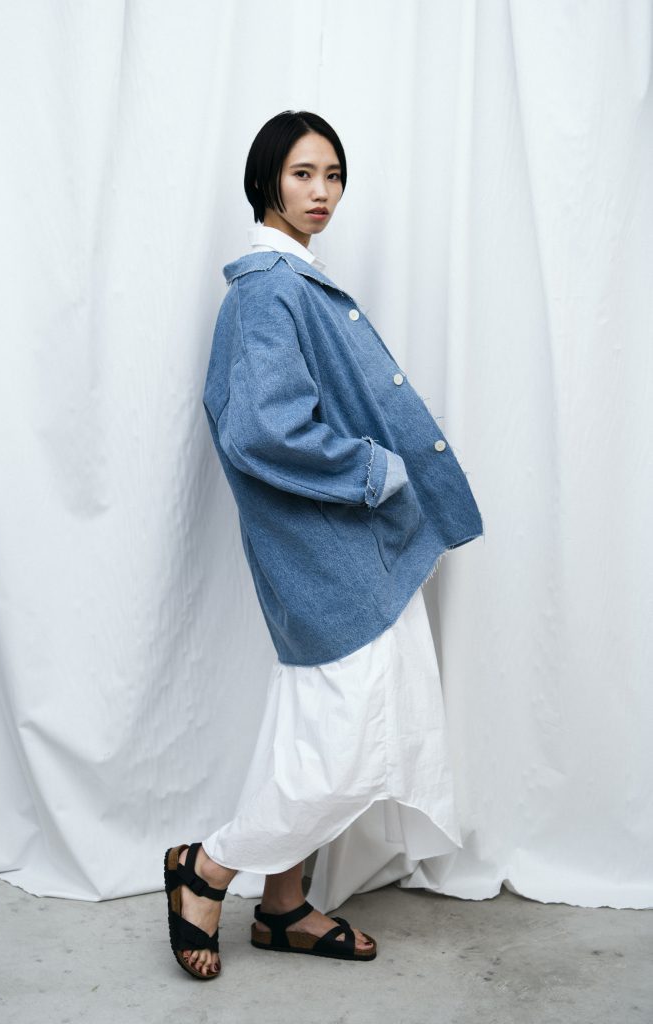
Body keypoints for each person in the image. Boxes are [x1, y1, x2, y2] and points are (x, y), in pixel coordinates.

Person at [164, 110, 483, 981]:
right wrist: (374, 468)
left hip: (342, 550)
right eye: (303, 173)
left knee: (318, 733)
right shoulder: (268, 290)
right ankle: (206, 869)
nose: (322, 192)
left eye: (333, 175)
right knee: (348, 745)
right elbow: (262, 430)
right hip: (328, 555)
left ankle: (282, 906)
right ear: (266, 179)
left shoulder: (295, 282)